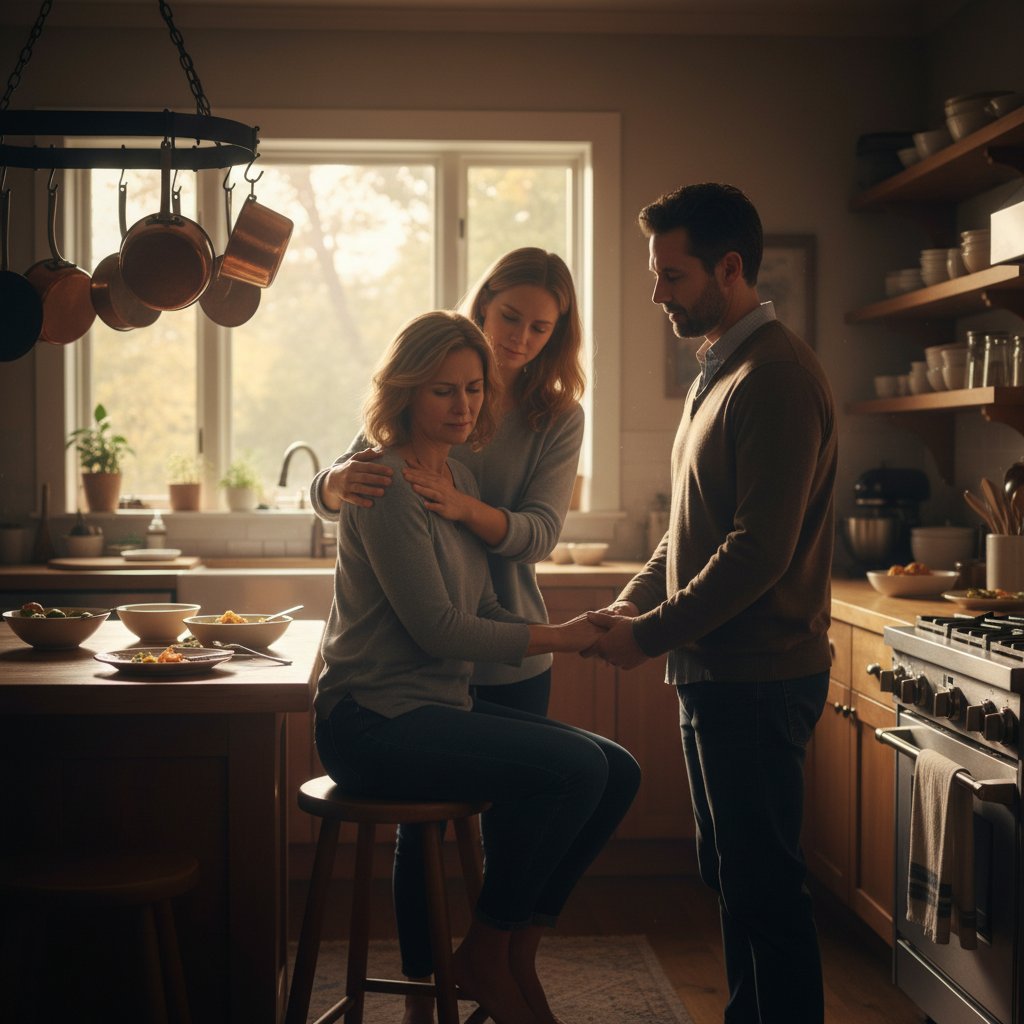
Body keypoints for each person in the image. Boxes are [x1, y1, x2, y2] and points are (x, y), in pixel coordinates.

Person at [313, 309, 640, 1024]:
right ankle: (487, 954)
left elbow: (487, 604)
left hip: (430, 707)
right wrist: (559, 637)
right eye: (443, 392)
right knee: (577, 770)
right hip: (370, 722)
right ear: (404, 392)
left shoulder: (455, 475)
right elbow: (438, 630)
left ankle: (511, 950)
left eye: (472, 389)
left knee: (617, 770)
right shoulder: (383, 480)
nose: (463, 406)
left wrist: (573, 629)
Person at [587, 183, 837, 1024]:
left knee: (763, 887)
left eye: (673, 274)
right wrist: (629, 607)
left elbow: (757, 552)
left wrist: (649, 635)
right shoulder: (719, 373)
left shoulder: (774, 378)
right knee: (732, 877)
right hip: (719, 674)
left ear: (730, 270)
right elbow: (690, 531)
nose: (658, 292)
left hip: (760, 680)